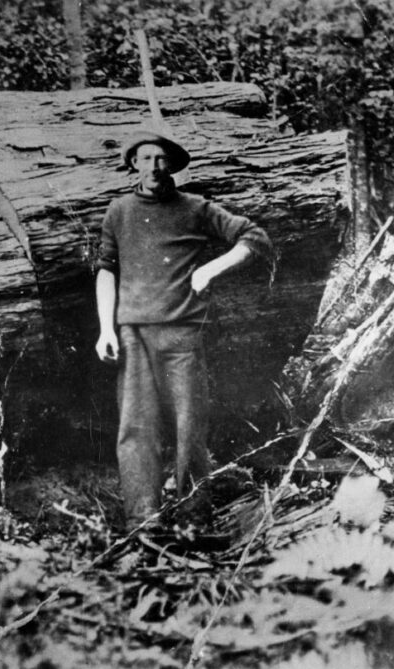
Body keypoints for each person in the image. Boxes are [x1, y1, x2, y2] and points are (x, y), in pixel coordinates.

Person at [94, 130, 272, 529]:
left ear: (172, 165)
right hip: (132, 335)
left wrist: (211, 268)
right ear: (133, 165)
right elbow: (106, 268)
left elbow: (254, 237)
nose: (152, 167)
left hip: (182, 333)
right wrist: (106, 329)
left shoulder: (195, 208)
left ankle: (193, 517)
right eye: (144, 159)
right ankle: (144, 520)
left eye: (160, 159)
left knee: (189, 427)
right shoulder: (118, 211)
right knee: (135, 427)